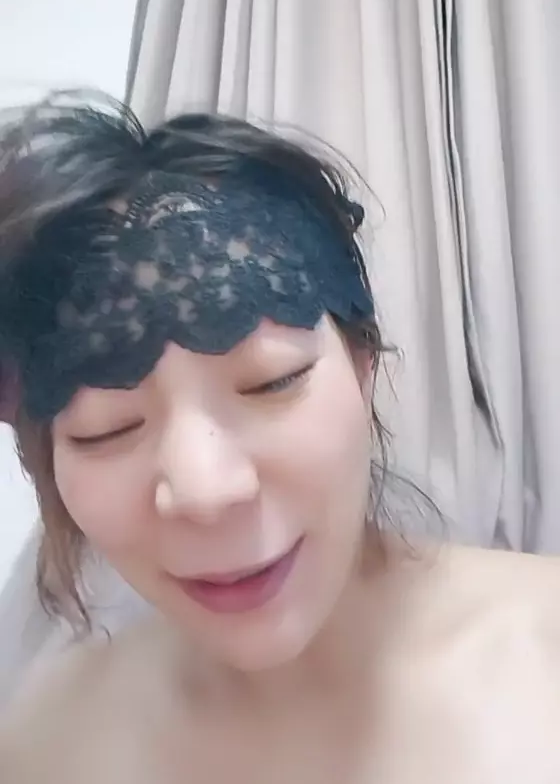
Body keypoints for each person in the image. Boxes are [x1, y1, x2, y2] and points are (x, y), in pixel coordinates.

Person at [0, 92, 560, 784]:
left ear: (363, 367)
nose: (207, 490)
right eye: (105, 431)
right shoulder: (46, 745)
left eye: (272, 383)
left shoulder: (545, 657)